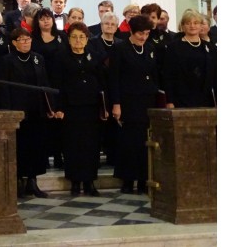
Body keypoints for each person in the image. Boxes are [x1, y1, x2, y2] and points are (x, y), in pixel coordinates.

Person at [52, 22, 106, 196]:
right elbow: (57, 84)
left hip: (91, 107)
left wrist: (104, 106)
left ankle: (90, 182)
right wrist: (58, 107)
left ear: (87, 39)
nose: (78, 40)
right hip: (70, 107)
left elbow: (102, 82)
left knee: (91, 145)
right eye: (74, 37)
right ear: (68, 39)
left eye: (81, 37)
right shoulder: (61, 57)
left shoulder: (93, 56)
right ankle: (75, 182)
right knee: (73, 145)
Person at [0, 27, 51, 198]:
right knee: (20, 147)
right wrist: (8, 111)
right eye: (22, 39)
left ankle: (32, 182)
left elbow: (45, 83)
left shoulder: (38, 59)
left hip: (37, 110)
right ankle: (19, 181)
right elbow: (4, 87)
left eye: (28, 39)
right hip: (18, 110)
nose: (26, 42)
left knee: (36, 146)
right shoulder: (7, 60)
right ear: (14, 43)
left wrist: (49, 107)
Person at [109, 14, 159, 194]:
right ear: (131, 31)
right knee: (129, 142)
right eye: (140, 33)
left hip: (147, 101)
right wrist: (116, 104)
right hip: (127, 101)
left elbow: (154, 75)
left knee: (145, 141)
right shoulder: (120, 49)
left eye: (146, 33)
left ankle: (144, 179)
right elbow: (113, 79)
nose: (143, 37)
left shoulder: (151, 48)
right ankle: (128, 180)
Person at [30, 7, 68, 169]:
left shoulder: (61, 36)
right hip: (41, 83)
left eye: (48, 18)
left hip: (60, 82)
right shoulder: (33, 38)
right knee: (45, 119)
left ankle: (60, 155)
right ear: (37, 22)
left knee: (61, 119)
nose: (46, 21)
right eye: (42, 18)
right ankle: (46, 155)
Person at [87, 11, 123, 166]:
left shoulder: (121, 44)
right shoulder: (93, 43)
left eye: (112, 24)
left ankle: (113, 156)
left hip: (116, 89)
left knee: (115, 126)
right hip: (98, 89)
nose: (109, 26)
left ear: (116, 27)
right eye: (106, 23)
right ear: (101, 26)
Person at [163, 9, 217, 109]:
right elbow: (168, 75)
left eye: (196, 23)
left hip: (205, 99)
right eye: (188, 23)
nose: (192, 26)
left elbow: (216, 76)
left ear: (201, 26)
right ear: (183, 26)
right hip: (181, 99)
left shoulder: (211, 48)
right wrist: (169, 101)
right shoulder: (173, 47)